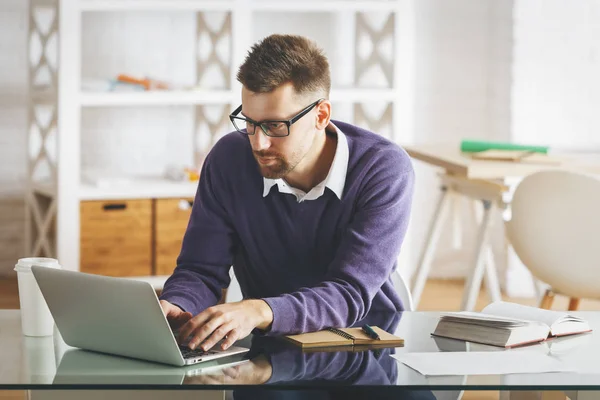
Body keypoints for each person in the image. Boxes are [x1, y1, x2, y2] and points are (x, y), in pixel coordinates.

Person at [159, 33, 415, 353]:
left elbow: (349, 293)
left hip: (366, 343)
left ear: (320, 115)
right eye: (249, 123)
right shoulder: (228, 159)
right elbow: (200, 270)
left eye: (276, 126)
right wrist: (177, 305)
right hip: (274, 348)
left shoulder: (383, 169)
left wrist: (258, 310)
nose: (258, 143)